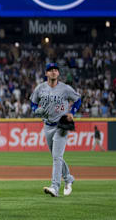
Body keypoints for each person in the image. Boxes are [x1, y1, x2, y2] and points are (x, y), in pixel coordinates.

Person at [31, 63, 81, 197]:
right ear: (46, 73)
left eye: (55, 70)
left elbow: (77, 100)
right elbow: (33, 102)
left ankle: (55, 187)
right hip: (47, 125)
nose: (53, 72)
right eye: (50, 70)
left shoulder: (65, 88)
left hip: (62, 125)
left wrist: (72, 112)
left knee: (57, 157)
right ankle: (69, 178)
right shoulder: (40, 88)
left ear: (58, 73)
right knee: (56, 156)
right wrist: (35, 110)